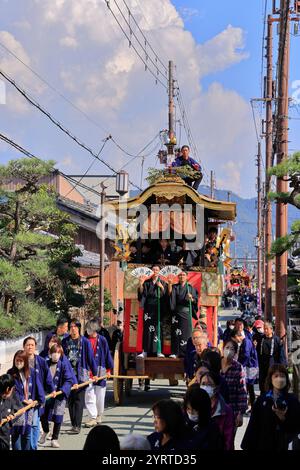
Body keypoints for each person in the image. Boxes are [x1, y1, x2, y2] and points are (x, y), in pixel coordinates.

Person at [241, 364, 300, 450]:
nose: (279, 379)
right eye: (276, 376)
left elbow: (296, 426)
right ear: (270, 379)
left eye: (282, 376)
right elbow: (253, 425)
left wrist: (283, 419)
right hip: (265, 443)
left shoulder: (292, 400)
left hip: (285, 444)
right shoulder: (262, 400)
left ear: (286, 379)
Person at [62, 319, 98, 434]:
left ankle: (77, 426)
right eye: (71, 326)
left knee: (78, 400)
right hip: (68, 375)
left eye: (75, 326)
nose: (73, 328)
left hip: (81, 375)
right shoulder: (65, 341)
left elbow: (91, 359)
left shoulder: (85, 341)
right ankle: (74, 425)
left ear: (78, 328)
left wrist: (95, 374)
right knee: (70, 401)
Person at [7, 350, 45, 450]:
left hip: (29, 408)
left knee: (27, 434)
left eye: (21, 360)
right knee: (16, 434)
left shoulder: (32, 372)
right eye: (17, 360)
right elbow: (12, 393)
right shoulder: (10, 373)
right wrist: (23, 400)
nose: (18, 362)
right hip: (17, 409)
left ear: (25, 361)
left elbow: (39, 387)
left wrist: (38, 400)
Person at [39, 344, 74, 448]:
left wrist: (62, 390)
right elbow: (39, 379)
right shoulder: (45, 364)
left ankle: (54, 438)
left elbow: (69, 380)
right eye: (54, 352)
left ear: (61, 354)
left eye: (58, 353)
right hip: (46, 394)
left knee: (58, 416)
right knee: (43, 414)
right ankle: (45, 431)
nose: (56, 355)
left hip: (60, 395)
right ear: (50, 353)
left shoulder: (63, 365)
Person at [23, 336, 54, 450]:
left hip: (36, 397)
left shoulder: (41, 361)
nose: (30, 347)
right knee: (27, 424)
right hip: (24, 397)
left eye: (32, 345)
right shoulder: (21, 359)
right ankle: (27, 445)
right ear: (24, 347)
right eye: (28, 345)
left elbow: (48, 377)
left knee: (35, 424)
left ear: (35, 346)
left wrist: (52, 390)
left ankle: (33, 446)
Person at [84, 319, 113, 427]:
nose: (87, 330)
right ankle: (92, 417)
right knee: (89, 394)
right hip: (88, 372)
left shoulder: (103, 340)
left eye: (89, 328)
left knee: (100, 395)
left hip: (101, 370)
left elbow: (107, 355)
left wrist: (109, 370)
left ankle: (99, 415)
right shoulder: (84, 340)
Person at [199, 371, 235, 450]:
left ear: (216, 388)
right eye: (203, 384)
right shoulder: (195, 405)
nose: (205, 387)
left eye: (209, 384)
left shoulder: (226, 410)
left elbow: (228, 441)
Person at [138, 265, 168, 358]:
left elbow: (167, 296)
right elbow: (142, 295)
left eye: (157, 269)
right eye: (153, 269)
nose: (155, 271)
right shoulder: (147, 282)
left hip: (159, 308)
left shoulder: (163, 282)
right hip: (149, 308)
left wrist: (162, 287)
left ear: (160, 271)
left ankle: (159, 350)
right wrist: (141, 284)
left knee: (158, 328)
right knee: (147, 329)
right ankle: (145, 350)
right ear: (151, 271)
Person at [183, 384, 224, 450]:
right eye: (188, 408)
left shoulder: (212, 428)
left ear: (203, 409)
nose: (191, 412)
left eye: (195, 409)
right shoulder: (182, 422)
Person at [169, 271, 199, 358]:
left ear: (186, 277)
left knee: (187, 333)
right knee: (176, 333)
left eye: (183, 275)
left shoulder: (190, 288)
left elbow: (195, 300)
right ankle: (175, 352)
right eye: (180, 275)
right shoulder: (175, 287)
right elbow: (171, 299)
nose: (182, 276)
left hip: (186, 313)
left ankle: (186, 352)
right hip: (176, 313)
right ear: (178, 277)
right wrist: (170, 286)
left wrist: (191, 299)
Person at [220, 340, 247, 429]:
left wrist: (241, 413)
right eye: (227, 348)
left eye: (232, 349)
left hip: (232, 411)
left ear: (235, 353)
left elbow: (242, 391)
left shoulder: (238, 367)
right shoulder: (216, 364)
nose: (229, 351)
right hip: (215, 410)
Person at [232, 319, 258, 409]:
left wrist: (240, 365)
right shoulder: (245, 341)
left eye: (235, 339)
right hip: (249, 366)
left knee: (249, 386)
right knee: (248, 386)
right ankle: (249, 405)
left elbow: (246, 355)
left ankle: (252, 407)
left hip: (250, 366)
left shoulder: (246, 341)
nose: (236, 341)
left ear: (238, 337)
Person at [256, 321, 287, 394]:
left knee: (273, 385)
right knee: (263, 385)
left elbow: (281, 355)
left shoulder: (277, 340)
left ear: (271, 329)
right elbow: (258, 352)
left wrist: (282, 367)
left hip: (273, 366)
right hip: (263, 366)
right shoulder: (261, 339)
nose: (265, 330)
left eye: (267, 329)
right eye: (264, 329)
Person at [0, 374, 22, 451]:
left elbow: (19, 409)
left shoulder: (12, 394)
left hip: (4, 432)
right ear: (7, 388)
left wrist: (12, 415)